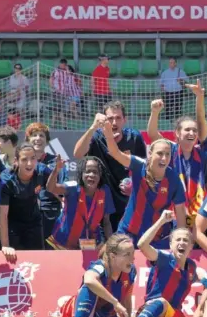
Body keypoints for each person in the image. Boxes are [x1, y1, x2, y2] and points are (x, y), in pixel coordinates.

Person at [35, 234, 136, 317]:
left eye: (133, 253)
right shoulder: (100, 266)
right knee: (90, 287)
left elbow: (127, 300)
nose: (133, 258)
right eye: (127, 255)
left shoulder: (131, 272)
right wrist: (115, 302)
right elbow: (89, 280)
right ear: (113, 256)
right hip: (80, 314)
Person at [115, 215, 197, 317]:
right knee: (162, 302)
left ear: (191, 246)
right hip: (153, 316)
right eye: (178, 240)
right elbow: (142, 245)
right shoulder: (164, 258)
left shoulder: (192, 267)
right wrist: (161, 221)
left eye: (185, 240)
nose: (181, 243)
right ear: (171, 244)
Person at [103, 118, 186, 248]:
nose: (164, 158)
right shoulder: (138, 166)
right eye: (159, 153)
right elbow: (115, 153)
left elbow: (180, 213)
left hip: (156, 239)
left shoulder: (174, 180)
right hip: (127, 234)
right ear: (150, 154)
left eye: (167, 154)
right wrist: (108, 135)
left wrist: (181, 241)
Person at [74, 101, 147, 231]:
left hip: (128, 202)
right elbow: (78, 154)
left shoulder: (134, 137)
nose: (114, 123)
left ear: (125, 120)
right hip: (104, 204)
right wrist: (93, 127)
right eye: (110, 118)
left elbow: (144, 169)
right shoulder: (96, 138)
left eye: (118, 118)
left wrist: (135, 185)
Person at [147, 106, 207, 228]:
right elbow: (152, 134)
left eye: (195, 130)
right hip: (172, 213)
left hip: (197, 215)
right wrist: (155, 112)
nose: (192, 133)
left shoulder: (204, 156)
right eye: (187, 130)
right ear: (177, 133)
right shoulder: (169, 150)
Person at [0, 143, 52, 262]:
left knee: (37, 261)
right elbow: (2, 215)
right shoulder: (6, 179)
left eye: (33, 158)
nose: (29, 163)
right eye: (24, 159)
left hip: (34, 222)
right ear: (16, 161)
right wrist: (5, 245)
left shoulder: (42, 171)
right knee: (14, 261)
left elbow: (56, 188)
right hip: (12, 224)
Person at [46, 156, 114, 250]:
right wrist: (56, 170)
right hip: (63, 243)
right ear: (81, 174)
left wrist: (111, 244)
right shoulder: (73, 188)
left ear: (100, 175)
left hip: (90, 243)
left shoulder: (105, 191)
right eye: (87, 171)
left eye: (95, 172)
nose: (91, 175)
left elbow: (106, 222)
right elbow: (51, 188)